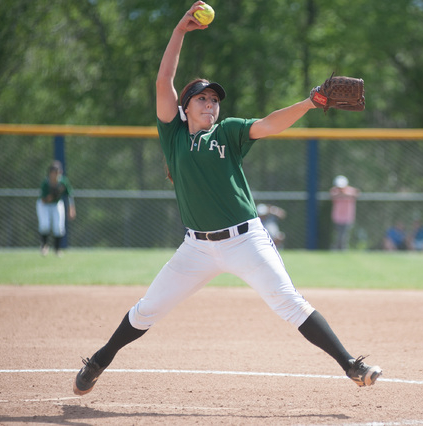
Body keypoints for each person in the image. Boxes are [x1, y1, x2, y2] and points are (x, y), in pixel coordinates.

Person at [72, 2, 381, 396]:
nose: (210, 104)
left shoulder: (229, 132)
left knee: (290, 303)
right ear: (184, 109)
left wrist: (310, 102)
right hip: (196, 248)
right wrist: (179, 31)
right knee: (148, 309)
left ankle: (351, 364)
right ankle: (98, 361)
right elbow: (163, 78)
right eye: (202, 99)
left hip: (245, 240)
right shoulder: (174, 135)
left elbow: (269, 124)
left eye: (214, 100)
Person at [36, 160, 76, 256]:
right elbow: (44, 200)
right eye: (54, 173)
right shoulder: (46, 183)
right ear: (50, 173)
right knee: (45, 225)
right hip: (44, 205)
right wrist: (53, 194)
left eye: (58, 173)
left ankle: (57, 249)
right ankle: (44, 246)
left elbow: (70, 195)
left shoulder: (63, 181)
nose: (56, 175)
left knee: (58, 227)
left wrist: (71, 208)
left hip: (57, 204)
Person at [330, 175, 360, 250]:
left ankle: (342, 248)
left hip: (348, 217)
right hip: (337, 217)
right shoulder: (334, 190)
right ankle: (338, 248)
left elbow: (357, 194)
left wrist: (345, 194)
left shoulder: (350, 190)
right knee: (339, 234)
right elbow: (332, 195)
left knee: (344, 235)